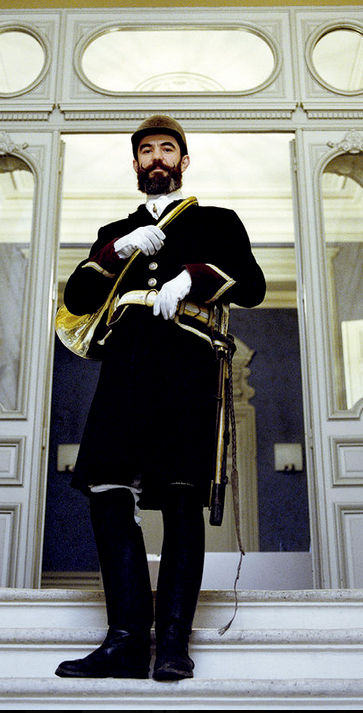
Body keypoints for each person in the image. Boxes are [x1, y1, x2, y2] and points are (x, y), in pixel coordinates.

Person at [55, 114, 265, 681]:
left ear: (184, 160)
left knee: (179, 496)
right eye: (146, 151)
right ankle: (125, 640)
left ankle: (173, 640)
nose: (156, 159)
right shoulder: (114, 230)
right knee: (106, 491)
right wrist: (116, 250)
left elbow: (252, 283)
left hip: (186, 368)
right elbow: (77, 297)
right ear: (135, 164)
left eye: (166, 149)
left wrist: (192, 277)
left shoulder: (218, 221)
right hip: (125, 368)